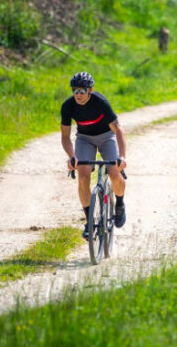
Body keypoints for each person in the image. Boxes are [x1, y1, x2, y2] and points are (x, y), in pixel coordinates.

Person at [60, 71, 127, 238]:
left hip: (107, 137)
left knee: (114, 173)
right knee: (83, 178)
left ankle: (119, 204)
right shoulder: (68, 106)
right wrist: (72, 156)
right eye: (75, 91)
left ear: (90, 90)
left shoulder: (100, 102)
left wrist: (123, 156)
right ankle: (89, 221)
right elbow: (65, 137)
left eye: (82, 91)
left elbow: (118, 129)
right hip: (84, 139)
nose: (78, 95)